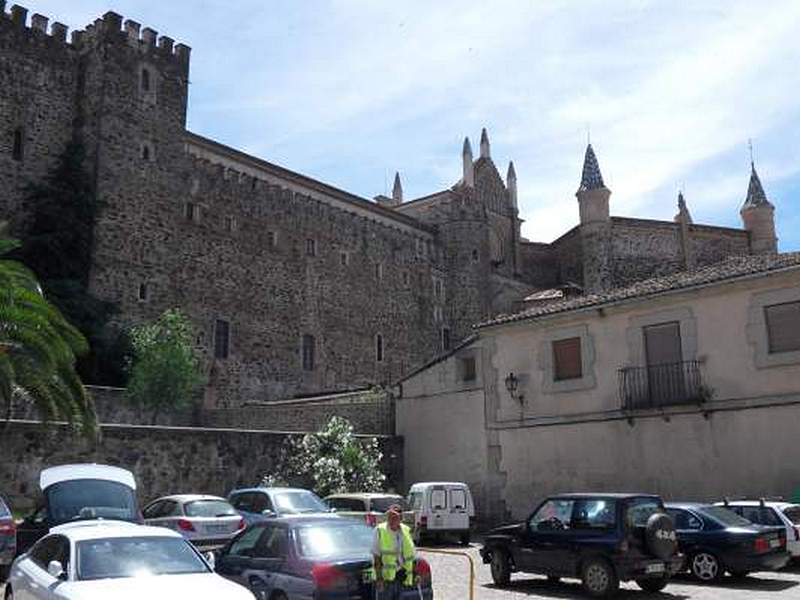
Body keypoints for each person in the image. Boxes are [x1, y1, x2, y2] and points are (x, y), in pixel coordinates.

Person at [372, 504, 416, 599]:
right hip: (386, 579)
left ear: (400, 518)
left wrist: (415, 574)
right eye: (389, 516)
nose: (391, 520)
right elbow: (376, 556)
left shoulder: (405, 530)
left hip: (402, 577)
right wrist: (379, 579)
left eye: (394, 517)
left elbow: (411, 555)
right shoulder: (380, 530)